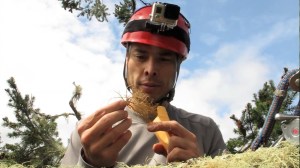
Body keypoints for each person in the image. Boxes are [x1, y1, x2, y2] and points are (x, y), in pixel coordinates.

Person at [61, 2, 226, 168]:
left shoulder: (205, 131)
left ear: (178, 66)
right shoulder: (90, 132)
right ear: (127, 59)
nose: (151, 69)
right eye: (140, 56)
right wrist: (90, 163)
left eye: (164, 59)